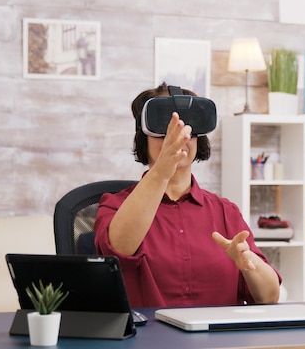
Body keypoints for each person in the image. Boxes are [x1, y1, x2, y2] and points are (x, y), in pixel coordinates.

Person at [94, 83, 281, 308]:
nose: (179, 139)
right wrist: (162, 169)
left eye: (188, 130)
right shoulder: (114, 206)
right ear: (143, 138)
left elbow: (270, 297)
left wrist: (246, 261)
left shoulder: (225, 212)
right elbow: (119, 248)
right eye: (164, 131)